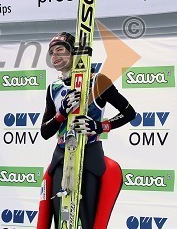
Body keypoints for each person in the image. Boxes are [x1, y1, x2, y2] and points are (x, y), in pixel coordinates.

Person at [37, 32, 136, 229]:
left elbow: (129, 112)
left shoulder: (98, 81)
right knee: (62, 221)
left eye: (60, 51)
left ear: (74, 54)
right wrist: (61, 114)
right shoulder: (53, 88)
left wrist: (100, 126)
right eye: (51, 53)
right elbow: (45, 132)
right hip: (61, 158)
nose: (55, 57)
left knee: (87, 220)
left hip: (89, 156)